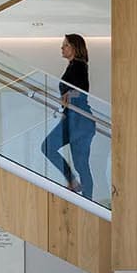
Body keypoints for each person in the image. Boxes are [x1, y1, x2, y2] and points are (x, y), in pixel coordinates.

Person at [40, 33, 95, 199]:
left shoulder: (78, 65)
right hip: (77, 118)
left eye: (65, 45)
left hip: (78, 119)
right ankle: (87, 200)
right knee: (81, 165)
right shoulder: (75, 65)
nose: (62, 48)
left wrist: (67, 96)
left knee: (49, 147)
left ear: (74, 47)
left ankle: (77, 187)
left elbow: (82, 91)